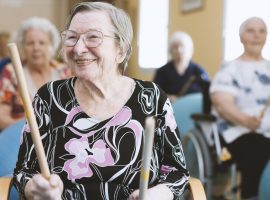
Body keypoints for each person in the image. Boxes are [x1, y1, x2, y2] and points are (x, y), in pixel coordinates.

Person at [13, 2, 189, 200]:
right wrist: (35, 188)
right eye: (72, 37)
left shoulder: (151, 98)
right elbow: (24, 171)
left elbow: (176, 172)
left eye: (93, 37)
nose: (78, 48)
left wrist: (158, 194)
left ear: (120, 50)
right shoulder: (48, 98)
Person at [210, 17, 270, 200]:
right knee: (258, 149)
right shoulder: (230, 68)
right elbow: (222, 103)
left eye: (262, 31)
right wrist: (247, 121)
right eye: (251, 31)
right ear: (241, 37)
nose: (257, 35)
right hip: (239, 131)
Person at [0, 17, 70, 130]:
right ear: (23, 47)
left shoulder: (65, 72)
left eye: (42, 43)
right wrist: (31, 130)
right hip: (23, 139)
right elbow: (2, 117)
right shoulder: (12, 72)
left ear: (51, 46)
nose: (36, 48)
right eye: (30, 43)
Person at [153, 31, 209, 102]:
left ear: (190, 50)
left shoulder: (199, 71)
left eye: (182, 46)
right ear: (170, 50)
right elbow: (155, 94)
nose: (179, 50)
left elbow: (207, 94)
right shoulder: (162, 71)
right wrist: (168, 98)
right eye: (175, 47)